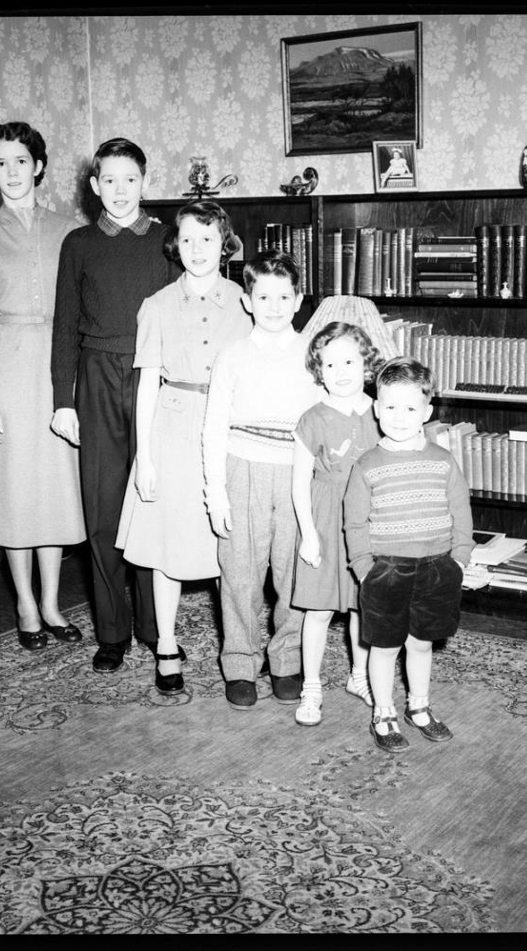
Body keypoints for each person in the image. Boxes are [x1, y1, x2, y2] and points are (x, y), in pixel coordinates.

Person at [50, 138, 180, 673]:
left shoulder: (168, 240)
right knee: (103, 510)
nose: (120, 190)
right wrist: (63, 401)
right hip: (97, 378)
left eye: (130, 179)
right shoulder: (79, 244)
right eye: (109, 180)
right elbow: (64, 327)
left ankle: (155, 627)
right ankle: (111, 632)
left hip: (156, 378)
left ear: (145, 182)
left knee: (151, 504)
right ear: (94, 185)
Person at [0, 121, 85, 651]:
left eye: (21, 161)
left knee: (54, 489)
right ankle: (26, 606)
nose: (12, 172)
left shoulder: (71, 231)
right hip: (5, 369)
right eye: (1, 163)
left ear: (39, 166)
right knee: (15, 490)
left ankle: (52, 603)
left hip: (61, 365)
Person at [115, 201, 251, 695]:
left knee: (227, 544)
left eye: (208, 239)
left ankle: (237, 646)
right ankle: (167, 644)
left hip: (229, 428)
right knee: (167, 545)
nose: (198, 249)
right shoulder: (156, 305)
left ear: (224, 245)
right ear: (176, 245)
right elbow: (147, 385)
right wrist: (144, 458)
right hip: (173, 430)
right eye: (188, 239)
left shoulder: (244, 302)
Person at [203, 249, 322, 711]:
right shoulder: (232, 356)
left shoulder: (312, 356)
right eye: (264, 297)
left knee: (293, 571)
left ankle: (287, 659)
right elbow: (213, 426)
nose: (274, 306)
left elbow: (324, 420)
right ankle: (240, 662)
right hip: (242, 470)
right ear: (247, 301)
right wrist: (216, 492)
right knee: (240, 573)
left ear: (298, 301)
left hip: (296, 474)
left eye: (284, 297)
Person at [344, 357, 473, 752]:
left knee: (421, 643)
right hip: (386, 569)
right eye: (391, 407)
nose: (400, 417)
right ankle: (383, 713)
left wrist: (459, 559)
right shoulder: (367, 465)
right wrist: (365, 569)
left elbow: (461, 510)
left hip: (437, 566)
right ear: (376, 408)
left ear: (427, 413)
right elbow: (354, 523)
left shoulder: (443, 460)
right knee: (384, 647)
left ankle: (419, 706)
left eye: (411, 408)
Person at [290, 321, 383, 726]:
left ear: (366, 364)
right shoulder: (312, 419)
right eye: (330, 365)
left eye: (349, 361)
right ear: (319, 371)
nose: (340, 372)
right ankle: (311, 688)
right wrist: (309, 535)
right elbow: (299, 483)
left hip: (368, 521)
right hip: (326, 518)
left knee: (364, 604)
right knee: (319, 609)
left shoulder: (380, 412)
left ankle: (359, 676)